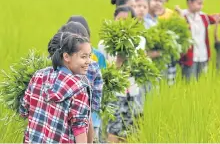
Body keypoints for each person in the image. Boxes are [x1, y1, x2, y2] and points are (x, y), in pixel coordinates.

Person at [20, 32, 92, 143]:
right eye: (83, 57)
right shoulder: (79, 88)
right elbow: (79, 129)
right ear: (66, 56)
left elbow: (24, 110)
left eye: (89, 56)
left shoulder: (38, 75)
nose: (88, 61)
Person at [98, 8, 145, 143]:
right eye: (120, 20)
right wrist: (118, 62)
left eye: (127, 20)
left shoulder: (139, 41)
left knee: (131, 129)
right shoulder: (104, 43)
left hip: (133, 91)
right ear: (114, 20)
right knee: (114, 128)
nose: (123, 24)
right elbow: (104, 71)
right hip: (115, 93)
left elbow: (140, 64)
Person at [58, 20, 105, 143]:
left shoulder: (50, 69)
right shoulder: (93, 66)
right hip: (88, 121)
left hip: (62, 122)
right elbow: (96, 101)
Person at [178, 0, 220, 81]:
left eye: (202, 4)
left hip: (203, 56)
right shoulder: (182, 16)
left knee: (201, 84)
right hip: (189, 57)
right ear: (190, 2)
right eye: (199, 3)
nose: (201, 6)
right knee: (188, 85)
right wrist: (180, 17)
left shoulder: (203, 17)